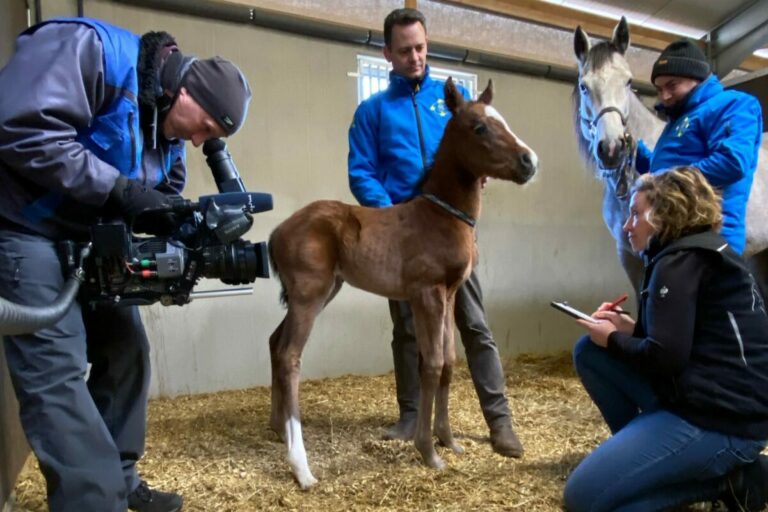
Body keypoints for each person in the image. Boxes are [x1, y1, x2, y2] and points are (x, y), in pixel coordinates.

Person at [0, 16, 251, 512]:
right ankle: (95, 501)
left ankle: (119, 475)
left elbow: (160, 195)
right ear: (187, 92)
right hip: (21, 226)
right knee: (57, 370)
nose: (199, 141)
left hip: (86, 237)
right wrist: (118, 190)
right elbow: (21, 128)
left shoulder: (168, 130)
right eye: (204, 127)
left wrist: (176, 232)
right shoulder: (90, 50)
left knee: (126, 348)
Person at [347, 7, 523, 458]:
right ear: (387, 53)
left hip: (452, 232)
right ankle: (411, 416)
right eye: (405, 50)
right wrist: (392, 220)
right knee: (407, 329)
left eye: (421, 47)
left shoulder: (455, 102)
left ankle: (499, 420)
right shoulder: (372, 111)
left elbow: (476, 152)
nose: (415, 57)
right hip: (403, 236)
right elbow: (362, 172)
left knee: (474, 323)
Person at [564, 166, 768, 512]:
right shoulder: (702, 253)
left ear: (664, 214)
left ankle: (727, 482)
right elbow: (691, 339)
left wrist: (613, 338)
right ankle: (654, 465)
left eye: (635, 214)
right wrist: (630, 330)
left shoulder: (677, 262)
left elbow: (665, 358)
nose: (627, 226)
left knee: (583, 499)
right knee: (589, 351)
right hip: (712, 399)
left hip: (722, 421)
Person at [635, 39, 763, 255]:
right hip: (672, 234)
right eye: (659, 89)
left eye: (672, 85)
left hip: (710, 238)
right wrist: (637, 156)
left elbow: (731, 163)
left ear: (696, 78)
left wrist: (662, 178)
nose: (664, 95)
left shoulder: (732, 104)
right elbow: (672, 170)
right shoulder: (679, 118)